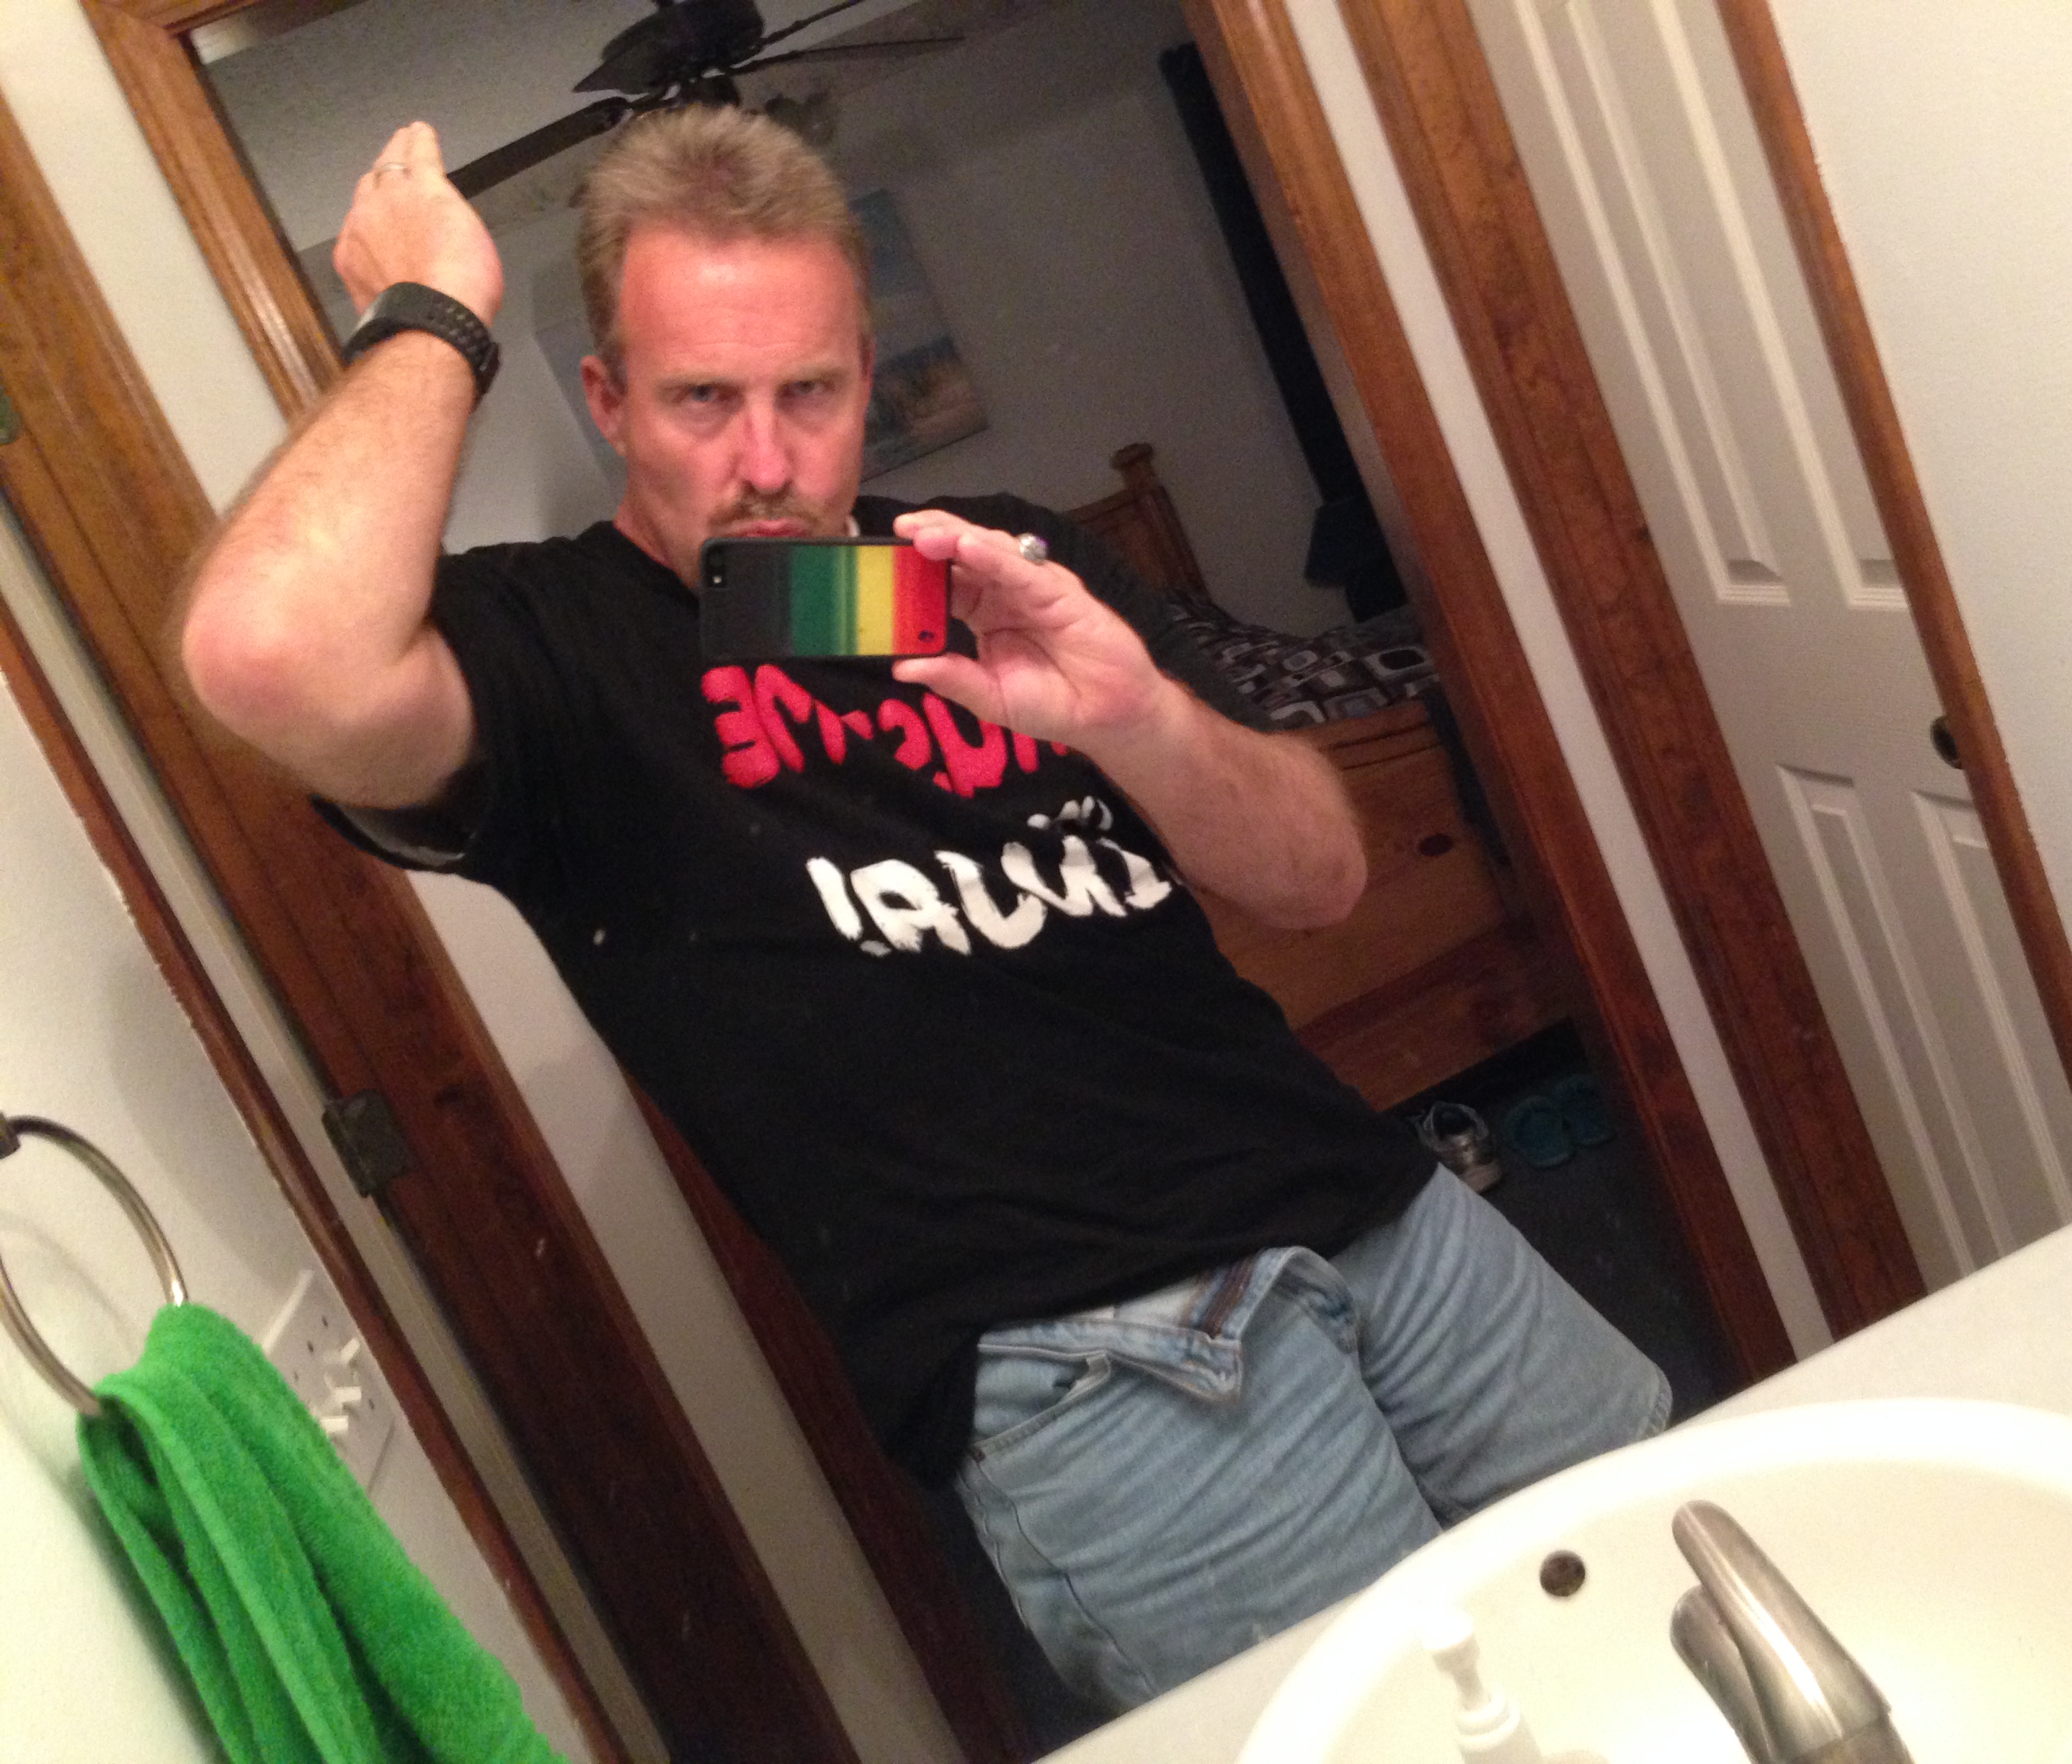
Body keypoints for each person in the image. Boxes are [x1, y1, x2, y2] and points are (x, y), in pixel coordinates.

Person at [179, 105, 1668, 1714]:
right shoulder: (556, 654)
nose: (766, 463)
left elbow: (1323, 877)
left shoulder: (1003, 560)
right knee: (1388, 1741)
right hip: (1101, 1364)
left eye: (809, 393)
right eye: (701, 399)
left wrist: (1136, 718)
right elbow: (271, 656)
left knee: (1688, 1621)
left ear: (866, 375)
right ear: (608, 401)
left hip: (1382, 1212)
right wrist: (433, 312)